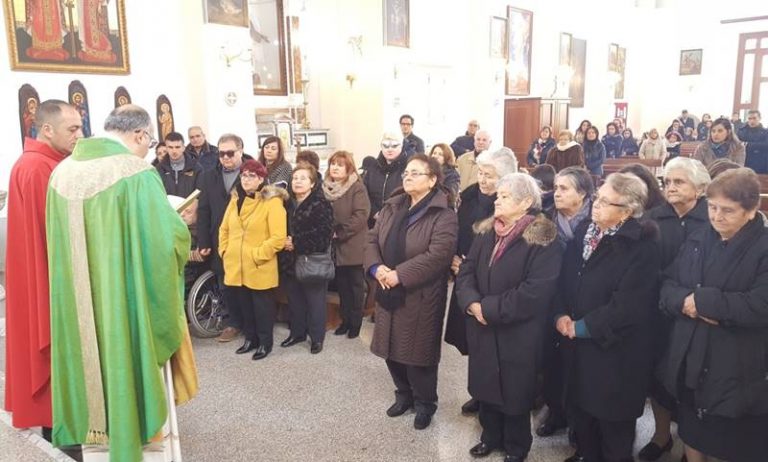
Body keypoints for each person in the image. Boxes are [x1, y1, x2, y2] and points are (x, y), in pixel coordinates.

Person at [46, 104, 198, 461]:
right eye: (149, 141)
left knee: (90, 366)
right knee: (128, 360)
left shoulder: (62, 173)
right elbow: (164, 246)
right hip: (123, 306)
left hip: (78, 305)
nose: (148, 149)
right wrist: (181, 226)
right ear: (140, 135)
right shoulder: (135, 173)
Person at [660, 168, 768, 462]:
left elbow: (760, 305)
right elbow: (668, 286)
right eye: (712, 207)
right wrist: (684, 302)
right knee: (692, 431)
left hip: (736, 363)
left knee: (729, 442)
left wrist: (703, 302)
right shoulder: (699, 237)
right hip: (691, 354)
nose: (717, 216)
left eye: (728, 210)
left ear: (751, 211)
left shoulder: (763, 247)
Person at [455, 173, 563, 462]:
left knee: (515, 390)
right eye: (498, 195)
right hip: (482, 323)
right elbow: (466, 271)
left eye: (504, 196)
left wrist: (487, 309)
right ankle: (489, 437)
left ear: (526, 202)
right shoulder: (487, 230)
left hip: (518, 330)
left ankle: (516, 447)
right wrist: (471, 304)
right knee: (485, 382)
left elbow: (535, 291)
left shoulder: (543, 237)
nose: (496, 199)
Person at [556, 173, 660, 462]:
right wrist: (561, 314)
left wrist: (582, 327)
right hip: (577, 344)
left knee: (613, 429)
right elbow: (566, 279)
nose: (595, 205)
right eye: (597, 198)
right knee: (583, 418)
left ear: (627, 211)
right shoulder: (585, 233)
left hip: (615, 351)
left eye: (604, 201)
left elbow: (628, 306)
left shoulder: (642, 246)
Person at [364, 154, 457, 430]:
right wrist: (376, 268)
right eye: (406, 172)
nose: (407, 176)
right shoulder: (393, 206)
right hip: (386, 289)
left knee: (419, 356)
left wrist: (398, 275)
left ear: (432, 180)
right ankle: (403, 395)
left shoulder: (443, 214)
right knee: (390, 350)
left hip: (421, 295)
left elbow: (438, 255)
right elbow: (371, 239)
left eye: (416, 173)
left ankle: (425, 402)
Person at [5, 100, 82, 432]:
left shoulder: (45, 163)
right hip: (48, 283)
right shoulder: (38, 168)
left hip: (39, 278)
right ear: (47, 129)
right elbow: (52, 237)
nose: (80, 134)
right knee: (56, 376)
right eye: (73, 129)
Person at [639, 157, 710, 461]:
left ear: (700, 187)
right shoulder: (654, 217)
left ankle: (692, 443)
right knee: (657, 377)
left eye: (679, 182)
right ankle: (661, 435)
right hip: (657, 310)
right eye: (667, 182)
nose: (671, 187)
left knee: (693, 382)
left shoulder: (711, 218)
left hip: (697, 313)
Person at [444, 147, 519, 415]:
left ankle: (499, 396)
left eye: (491, 175)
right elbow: (456, 228)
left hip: (495, 282)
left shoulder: (509, 202)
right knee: (474, 341)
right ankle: (479, 392)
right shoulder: (469, 195)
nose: (484, 180)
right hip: (466, 277)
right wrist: (454, 258)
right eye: (482, 173)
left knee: (493, 343)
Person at [537, 167, 595, 439]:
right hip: (550, 297)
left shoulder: (597, 220)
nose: (556, 193)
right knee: (552, 362)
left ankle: (579, 420)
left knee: (582, 366)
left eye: (564, 189)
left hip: (584, 301)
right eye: (556, 187)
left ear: (582, 194)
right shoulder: (546, 218)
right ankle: (555, 412)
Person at [219, 159, 287, 360]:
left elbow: (278, 238)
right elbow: (224, 229)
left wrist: (257, 254)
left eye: (251, 176)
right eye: (244, 175)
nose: (246, 179)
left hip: (259, 265)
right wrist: (225, 250)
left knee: (262, 308)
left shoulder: (272, 202)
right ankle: (250, 339)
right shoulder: (234, 200)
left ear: (261, 179)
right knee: (244, 306)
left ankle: (265, 342)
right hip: (236, 264)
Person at [197, 134, 253, 342]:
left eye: (230, 153)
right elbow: (203, 210)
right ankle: (233, 323)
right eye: (221, 153)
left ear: (240, 151)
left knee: (248, 284)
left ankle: (252, 325)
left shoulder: (253, 173)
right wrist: (203, 241)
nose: (226, 157)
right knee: (225, 284)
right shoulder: (208, 176)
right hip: (219, 239)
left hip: (246, 239)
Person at [281, 164, 335, 354]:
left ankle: (317, 338)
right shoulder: (286, 204)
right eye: (295, 178)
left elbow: (323, 235)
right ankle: (297, 333)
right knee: (294, 300)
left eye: (303, 178)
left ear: (312, 183)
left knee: (315, 301)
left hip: (312, 260)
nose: (298, 181)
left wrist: (296, 242)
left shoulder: (321, 204)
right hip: (290, 260)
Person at [323, 151, 371, 339]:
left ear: (349, 168)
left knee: (355, 286)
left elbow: (361, 215)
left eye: (340, 165)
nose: (335, 167)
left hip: (353, 243)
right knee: (341, 286)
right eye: (333, 164)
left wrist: (339, 232)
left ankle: (356, 322)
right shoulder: (326, 188)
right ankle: (345, 320)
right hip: (334, 246)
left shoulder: (356, 187)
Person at [364, 132, 408, 228]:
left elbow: (410, 195)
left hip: (399, 222)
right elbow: (364, 193)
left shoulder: (408, 168)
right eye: (386, 146)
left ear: (401, 146)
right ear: (381, 146)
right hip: (374, 222)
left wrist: (394, 215)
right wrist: (374, 212)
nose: (390, 150)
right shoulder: (373, 167)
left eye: (394, 146)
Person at [156, 131, 202, 198]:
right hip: (168, 207)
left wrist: (196, 202)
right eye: (170, 147)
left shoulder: (196, 167)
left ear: (183, 147)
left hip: (190, 207)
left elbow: (201, 191)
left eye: (177, 147)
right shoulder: (159, 169)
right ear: (166, 148)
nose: (174, 151)